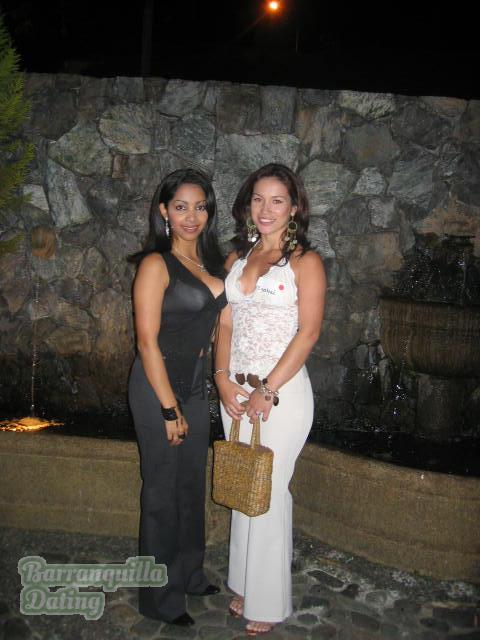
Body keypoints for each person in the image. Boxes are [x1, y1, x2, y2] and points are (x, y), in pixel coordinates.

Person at [214, 163, 327, 636]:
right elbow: (225, 323)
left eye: (277, 200)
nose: (266, 209)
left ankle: (268, 599)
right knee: (246, 485)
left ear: (294, 207)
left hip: (281, 394)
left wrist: (268, 388)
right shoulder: (237, 257)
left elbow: (309, 332)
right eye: (258, 199)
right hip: (236, 393)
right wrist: (222, 379)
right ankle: (245, 581)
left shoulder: (305, 261)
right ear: (248, 204)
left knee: (270, 492)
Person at [128, 168, 227, 627]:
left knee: (191, 484)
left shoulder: (212, 265)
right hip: (157, 387)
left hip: (196, 386)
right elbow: (146, 342)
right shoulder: (156, 264)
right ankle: (159, 598)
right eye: (181, 207)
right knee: (161, 492)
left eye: (200, 206)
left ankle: (189, 574)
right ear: (164, 211)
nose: (192, 217)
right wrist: (169, 408)